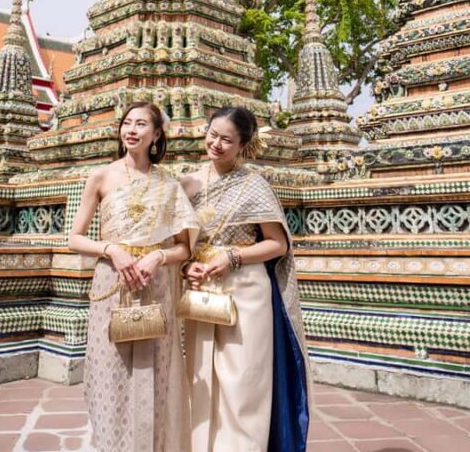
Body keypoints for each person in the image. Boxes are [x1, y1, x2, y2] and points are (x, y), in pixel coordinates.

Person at [69, 102, 199, 452]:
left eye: (141, 124)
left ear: (157, 135)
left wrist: (158, 255)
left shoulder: (169, 184)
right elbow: (75, 238)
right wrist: (112, 250)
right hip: (113, 283)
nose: (132, 130)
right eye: (127, 123)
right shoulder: (101, 176)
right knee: (110, 369)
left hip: (155, 284)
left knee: (156, 371)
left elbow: (184, 249)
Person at [181, 107, 311, 452]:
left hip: (245, 291)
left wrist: (232, 256)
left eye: (227, 139)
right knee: (200, 379)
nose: (216, 144)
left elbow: (277, 243)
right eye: (212, 134)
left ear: (243, 144)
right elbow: (178, 242)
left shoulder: (254, 185)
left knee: (242, 381)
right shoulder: (190, 182)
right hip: (202, 288)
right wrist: (186, 267)